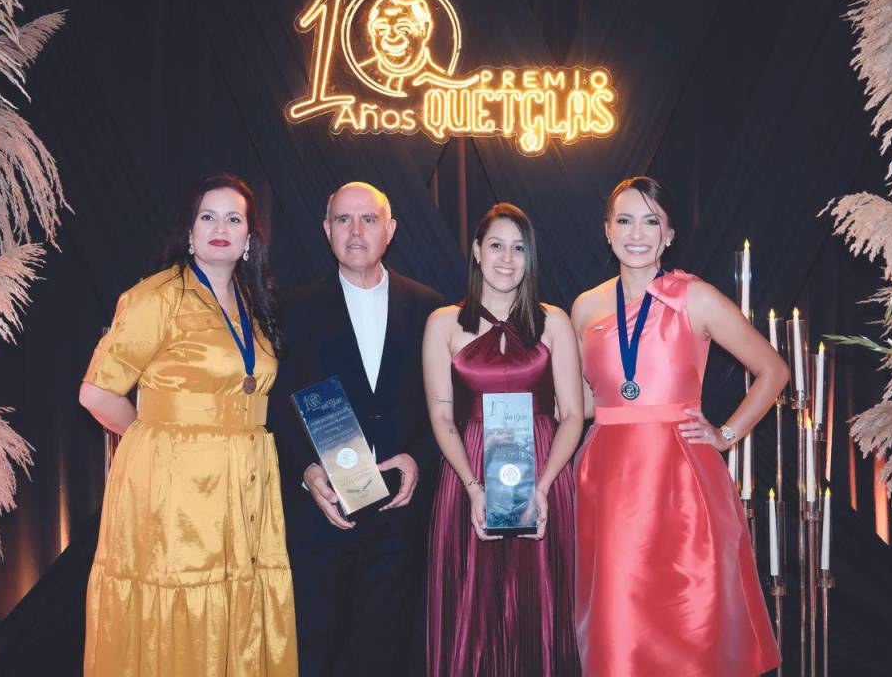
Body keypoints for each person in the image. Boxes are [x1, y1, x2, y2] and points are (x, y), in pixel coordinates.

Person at [78, 174, 297, 676]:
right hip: (176, 482)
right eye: (208, 216)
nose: (220, 227)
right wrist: (157, 436)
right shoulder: (155, 297)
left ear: (249, 238)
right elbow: (95, 391)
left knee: (237, 605)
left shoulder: (255, 305)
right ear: (191, 233)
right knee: (180, 593)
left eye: (233, 218)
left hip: (246, 477)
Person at [571, 176, 786, 676]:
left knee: (693, 618)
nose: (637, 233)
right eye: (624, 220)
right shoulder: (585, 307)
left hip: (681, 479)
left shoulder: (696, 298)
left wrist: (727, 434)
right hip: (605, 478)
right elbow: (585, 401)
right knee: (617, 621)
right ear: (607, 231)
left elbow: (774, 371)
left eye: (652, 221)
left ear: (668, 235)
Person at [273, 181, 442, 676]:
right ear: (326, 230)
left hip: (398, 516)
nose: (355, 231)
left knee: (389, 657)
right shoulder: (292, 308)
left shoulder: (429, 307)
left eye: (368, 219)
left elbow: (448, 404)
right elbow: (276, 408)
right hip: (322, 517)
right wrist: (306, 473)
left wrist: (419, 458)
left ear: (389, 230)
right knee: (318, 654)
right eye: (343, 220)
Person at [422, 203, 582, 676]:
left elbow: (572, 414)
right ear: (476, 251)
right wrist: (473, 487)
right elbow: (441, 414)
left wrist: (544, 485)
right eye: (496, 245)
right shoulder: (443, 323)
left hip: (544, 471)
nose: (507, 259)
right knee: (474, 610)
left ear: (529, 258)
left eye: (518, 248)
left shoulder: (554, 321)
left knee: (542, 604)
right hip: (469, 472)